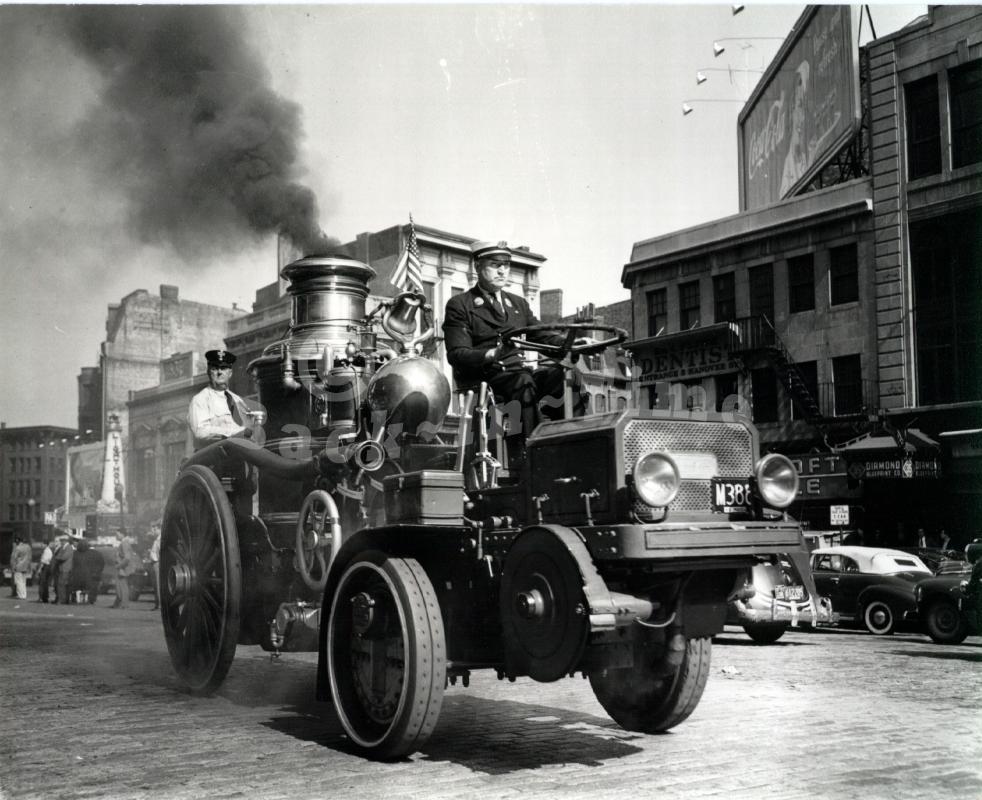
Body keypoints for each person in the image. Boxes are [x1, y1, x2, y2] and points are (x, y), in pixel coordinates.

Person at [442, 241, 586, 461]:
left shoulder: (517, 303)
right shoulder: (461, 304)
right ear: (478, 267)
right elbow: (457, 354)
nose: (502, 270)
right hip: (488, 379)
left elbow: (541, 335)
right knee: (524, 381)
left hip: (519, 374)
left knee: (566, 375)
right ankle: (533, 454)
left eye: (506, 265)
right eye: (495, 264)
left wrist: (572, 344)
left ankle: (572, 445)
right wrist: (493, 353)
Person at [188, 349, 250, 450]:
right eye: (215, 368)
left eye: (224, 368)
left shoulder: (238, 400)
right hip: (214, 455)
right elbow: (200, 432)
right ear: (208, 371)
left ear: (230, 373)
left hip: (239, 451)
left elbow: (249, 427)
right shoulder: (200, 400)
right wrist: (235, 432)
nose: (219, 372)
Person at [71, 538, 104, 604]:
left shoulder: (75, 553)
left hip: (78, 574)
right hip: (90, 574)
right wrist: (97, 571)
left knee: (77, 588)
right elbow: (101, 563)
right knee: (91, 588)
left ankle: (77, 599)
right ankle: (90, 600)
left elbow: (73, 564)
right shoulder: (95, 553)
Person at [111, 530, 137, 609]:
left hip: (123, 568)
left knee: (122, 586)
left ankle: (123, 604)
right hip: (124, 567)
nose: (116, 536)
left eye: (117, 534)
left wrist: (119, 566)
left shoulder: (124, 543)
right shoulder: (126, 542)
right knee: (122, 586)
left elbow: (127, 558)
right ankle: (119, 603)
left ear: (122, 534)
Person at [53, 535, 75, 605]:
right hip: (61, 569)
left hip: (65, 569)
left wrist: (57, 558)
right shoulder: (62, 548)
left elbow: (63, 557)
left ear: (65, 541)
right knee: (60, 585)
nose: (61, 542)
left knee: (61, 585)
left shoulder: (68, 548)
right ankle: (61, 599)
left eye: (61, 541)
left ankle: (62, 600)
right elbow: (59, 556)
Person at [11, 536, 32, 601]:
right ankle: (24, 595)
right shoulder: (28, 547)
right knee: (23, 581)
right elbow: (30, 557)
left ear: (17, 542)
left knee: (18, 581)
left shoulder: (17, 548)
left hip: (18, 566)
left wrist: (13, 567)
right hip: (25, 567)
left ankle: (20, 595)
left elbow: (14, 558)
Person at [148, 521, 162, 610]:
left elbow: (162, 552)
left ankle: (160, 604)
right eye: (152, 528)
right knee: (155, 585)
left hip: (158, 564)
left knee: (158, 585)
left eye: (155, 529)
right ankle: (157, 604)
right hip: (154, 563)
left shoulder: (160, 540)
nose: (153, 530)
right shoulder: (156, 539)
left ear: (160, 529)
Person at [36, 539, 54, 603]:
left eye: (43, 544)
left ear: (46, 544)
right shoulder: (47, 551)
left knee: (42, 583)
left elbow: (43, 561)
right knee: (44, 583)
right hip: (47, 567)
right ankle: (44, 597)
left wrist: (39, 569)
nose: (41, 545)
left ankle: (42, 597)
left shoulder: (47, 551)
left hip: (45, 568)